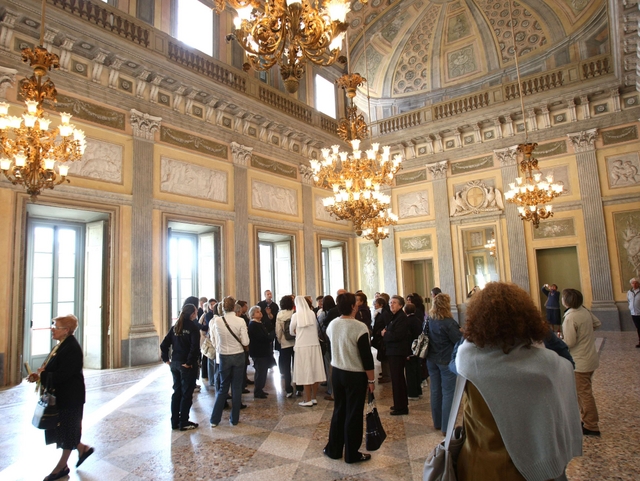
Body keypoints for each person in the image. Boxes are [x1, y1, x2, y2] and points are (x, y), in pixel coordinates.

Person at [452, 282, 582, 481]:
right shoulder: (547, 365)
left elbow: (452, 363)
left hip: (482, 463)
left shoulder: (468, 361)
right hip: (538, 461)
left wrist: (468, 337)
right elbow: (567, 364)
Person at [27, 314, 94, 481]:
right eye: (53, 325)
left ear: (66, 330)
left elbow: (63, 374)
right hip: (62, 396)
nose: (52, 329)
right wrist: (39, 376)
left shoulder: (71, 348)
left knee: (68, 430)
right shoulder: (61, 345)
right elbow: (51, 369)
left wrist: (44, 376)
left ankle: (61, 467)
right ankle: (82, 449)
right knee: (65, 429)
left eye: (56, 326)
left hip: (71, 397)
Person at [323, 292, 375, 464]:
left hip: (337, 372)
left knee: (339, 410)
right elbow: (366, 358)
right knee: (353, 413)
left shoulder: (332, 324)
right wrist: (371, 380)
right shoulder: (360, 327)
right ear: (354, 307)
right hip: (354, 374)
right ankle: (352, 453)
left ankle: (334, 449)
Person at [562, 288, 602, 436]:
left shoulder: (570, 317)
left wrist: (559, 342)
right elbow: (597, 323)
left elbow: (570, 342)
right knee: (583, 391)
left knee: (584, 393)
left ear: (567, 301)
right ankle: (586, 419)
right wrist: (585, 333)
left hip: (580, 361)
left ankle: (591, 425)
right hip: (590, 358)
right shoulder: (584, 311)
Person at [210, 296, 250, 427]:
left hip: (223, 356)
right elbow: (245, 342)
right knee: (237, 388)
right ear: (234, 307)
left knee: (223, 387)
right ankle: (234, 419)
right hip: (238, 355)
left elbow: (215, 340)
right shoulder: (240, 321)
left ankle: (214, 420)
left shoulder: (217, 321)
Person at [425, 293, 462, 434]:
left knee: (435, 390)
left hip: (431, 359)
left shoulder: (429, 319)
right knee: (448, 393)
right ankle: (447, 427)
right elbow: (457, 341)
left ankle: (437, 422)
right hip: (446, 360)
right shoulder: (449, 322)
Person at [160, 303, 200, 431]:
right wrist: (189, 363)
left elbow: (164, 344)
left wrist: (166, 359)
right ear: (193, 314)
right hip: (186, 365)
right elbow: (194, 348)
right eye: (195, 311)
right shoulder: (193, 327)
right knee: (186, 393)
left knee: (177, 392)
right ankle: (183, 421)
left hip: (175, 363)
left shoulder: (176, 326)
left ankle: (174, 421)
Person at [291, 296, 326, 406]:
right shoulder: (312, 313)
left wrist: (297, 331)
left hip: (302, 346)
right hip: (314, 345)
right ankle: (314, 397)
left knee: (305, 372)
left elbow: (291, 331)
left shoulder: (296, 315)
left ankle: (307, 399)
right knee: (315, 371)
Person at [382, 295, 410, 415]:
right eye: (390, 303)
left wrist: (385, 334)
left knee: (398, 380)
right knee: (396, 380)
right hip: (394, 352)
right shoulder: (395, 317)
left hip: (397, 352)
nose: (391, 305)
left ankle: (401, 407)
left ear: (400, 305)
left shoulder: (402, 318)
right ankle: (399, 404)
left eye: (393, 303)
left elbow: (397, 335)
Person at [247, 305, 275, 399]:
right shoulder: (253, 325)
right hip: (258, 352)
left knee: (263, 371)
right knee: (260, 372)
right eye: (257, 312)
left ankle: (260, 389)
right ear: (253, 315)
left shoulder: (259, 323)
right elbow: (261, 337)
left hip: (263, 351)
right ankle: (258, 391)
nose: (260, 313)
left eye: (260, 311)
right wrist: (270, 337)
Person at [276, 295, 296, 397]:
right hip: (295, 342)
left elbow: (278, 331)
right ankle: (299, 387)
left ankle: (288, 389)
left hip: (285, 343)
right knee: (296, 366)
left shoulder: (280, 314)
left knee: (286, 367)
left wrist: (280, 340)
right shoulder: (294, 313)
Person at [404, 303, 423, 400]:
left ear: (405, 311)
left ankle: (412, 393)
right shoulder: (418, 320)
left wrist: (407, 353)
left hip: (410, 350)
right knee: (417, 371)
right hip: (418, 350)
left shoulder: (407, 322)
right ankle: (418, 391)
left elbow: (407, 338)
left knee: (410, 372)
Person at [319, 295, 336, 401]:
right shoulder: (337, 312)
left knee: (328, 366)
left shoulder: (324, 314)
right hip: (336, 342)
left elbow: (319, 326)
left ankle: (331, 390)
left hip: (327, 342)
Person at [628, 277, 640, 347]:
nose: (634, 285)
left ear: (638, 284)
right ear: (631, 284)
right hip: (634, 313)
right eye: (633, 283)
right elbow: (629, 301)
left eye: (636, 283)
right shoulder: (629, 292)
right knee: (638, 327)